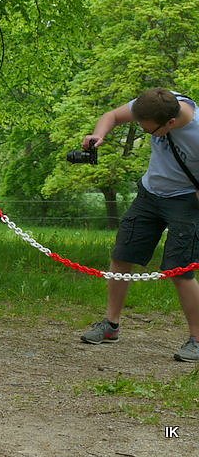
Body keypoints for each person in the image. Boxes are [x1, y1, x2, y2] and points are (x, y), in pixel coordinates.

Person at [79, 88, 199, 362]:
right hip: (149, 195)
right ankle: (111, 325)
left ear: (170, 123)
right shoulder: (155, 102)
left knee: (180, 270)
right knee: (122, 256)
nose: (146, 133)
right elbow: (111, 115)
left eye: (149, 131)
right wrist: (99, 135)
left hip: (185, 201)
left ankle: (197, 339)